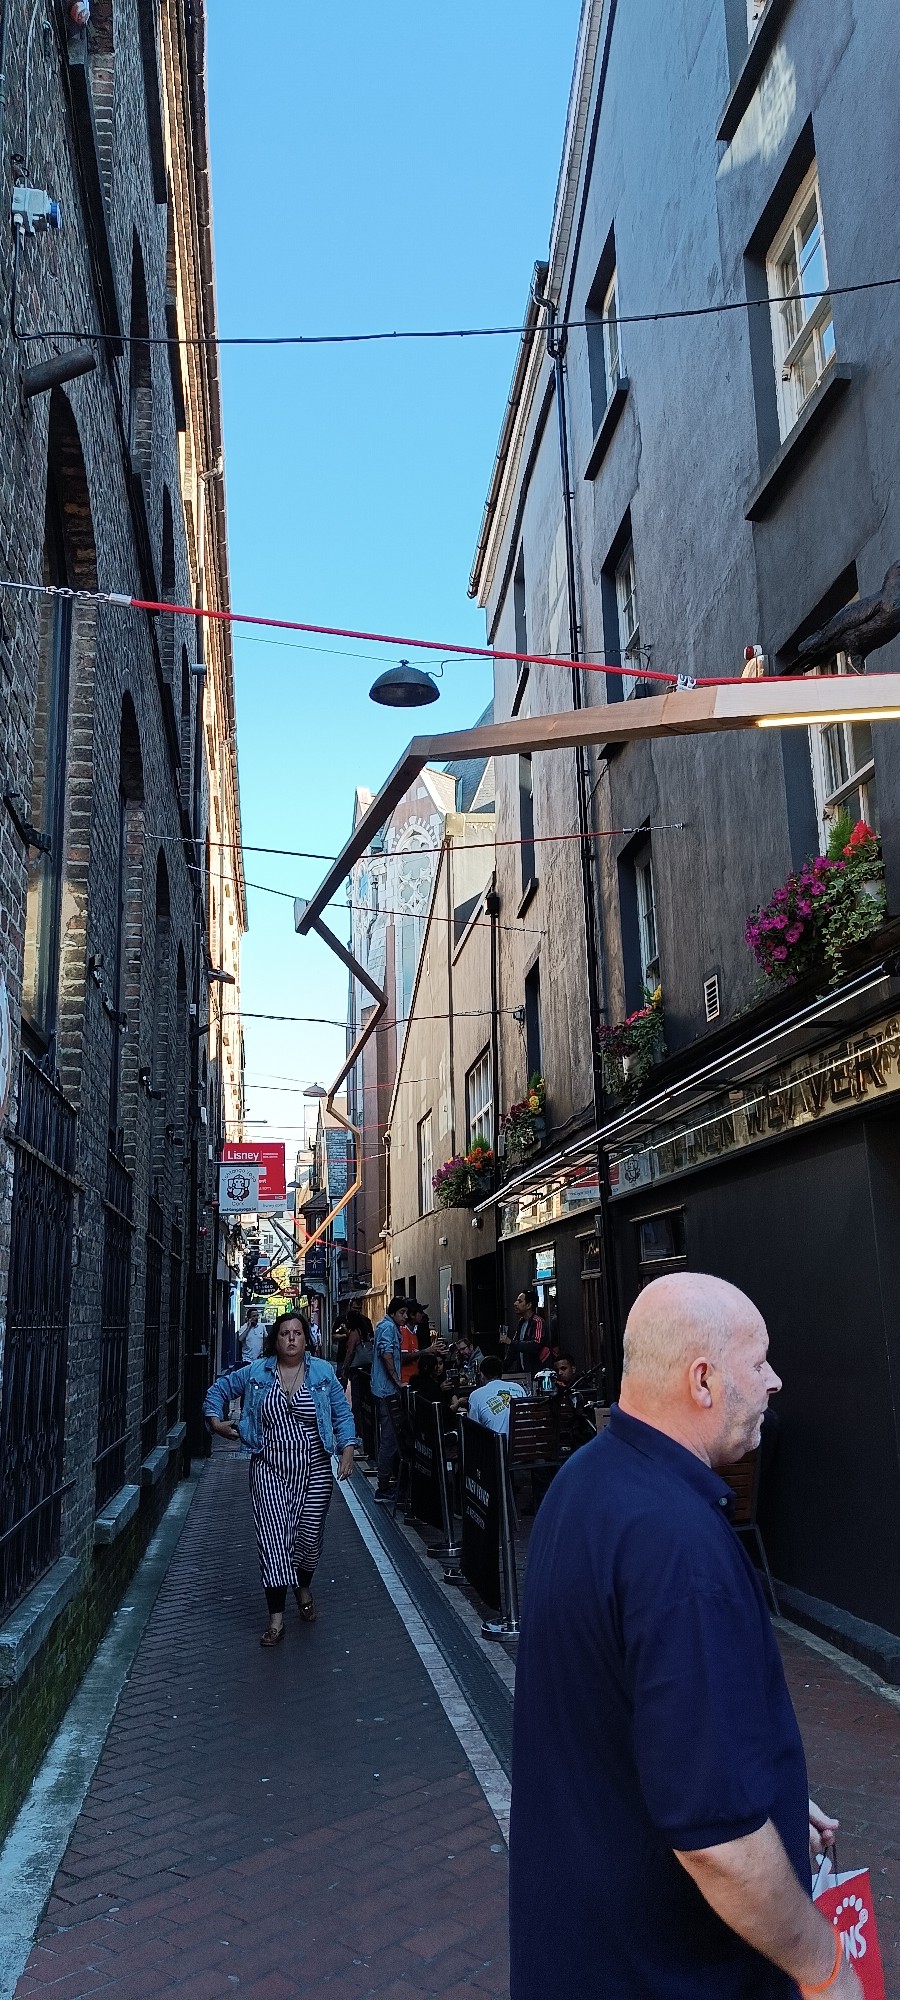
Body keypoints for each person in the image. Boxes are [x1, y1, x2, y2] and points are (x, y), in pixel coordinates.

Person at [510, 1272, 858, 2000]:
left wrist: (762, 1792)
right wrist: (824, 1967)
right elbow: (718, 1842)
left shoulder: (583, 1483)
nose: (774, 1381)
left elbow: (639, 1720)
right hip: (665, 1972)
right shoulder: (677, 1546)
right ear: (703, 1380)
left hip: (584, 1951)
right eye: (757, 1362)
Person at [203, 1310, 356, 1646]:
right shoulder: (257, 1372)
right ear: (275, 1340)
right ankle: (276, 1619)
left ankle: (303, 1586)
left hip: (315, 1469)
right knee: (273, 1540)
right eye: (285, 1333)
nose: (291, 1339)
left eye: (297, 1333)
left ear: (306, 1339)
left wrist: (347, 1449)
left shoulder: (322, 1372)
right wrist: (215, 1422)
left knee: (309, 1540)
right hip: (269, 1467)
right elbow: (219, 1389)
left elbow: (342, 1413)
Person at [371, 1296, 408, 1500]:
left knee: (390, 1437)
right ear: (393, 1312)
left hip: (384, 1389)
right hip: (387, 1391)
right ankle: (383, 1486)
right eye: (402, 1312)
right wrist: (397, 1381)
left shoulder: (388, 1327)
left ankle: (385, 1482)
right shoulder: (387, 1328)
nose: (405, 1317)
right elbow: (386, 1355)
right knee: (389, 1438)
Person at [466, 1355, 528, 1435]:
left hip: (497, 1442)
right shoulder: (518, 1388)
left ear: (482, 1375)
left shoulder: (476, 1395)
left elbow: (473, 1429)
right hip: (524, 1440)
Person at [500, 1289, 548, 1372]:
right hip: (523, 1370)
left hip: (536, 1371)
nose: (515, 1304)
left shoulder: (537, 1321)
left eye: (520, 1301)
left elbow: (535, 1345)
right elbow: (513, 1349)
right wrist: (503, 1367)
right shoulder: (522, 1322)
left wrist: (511, 1342)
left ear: (529, 1305)